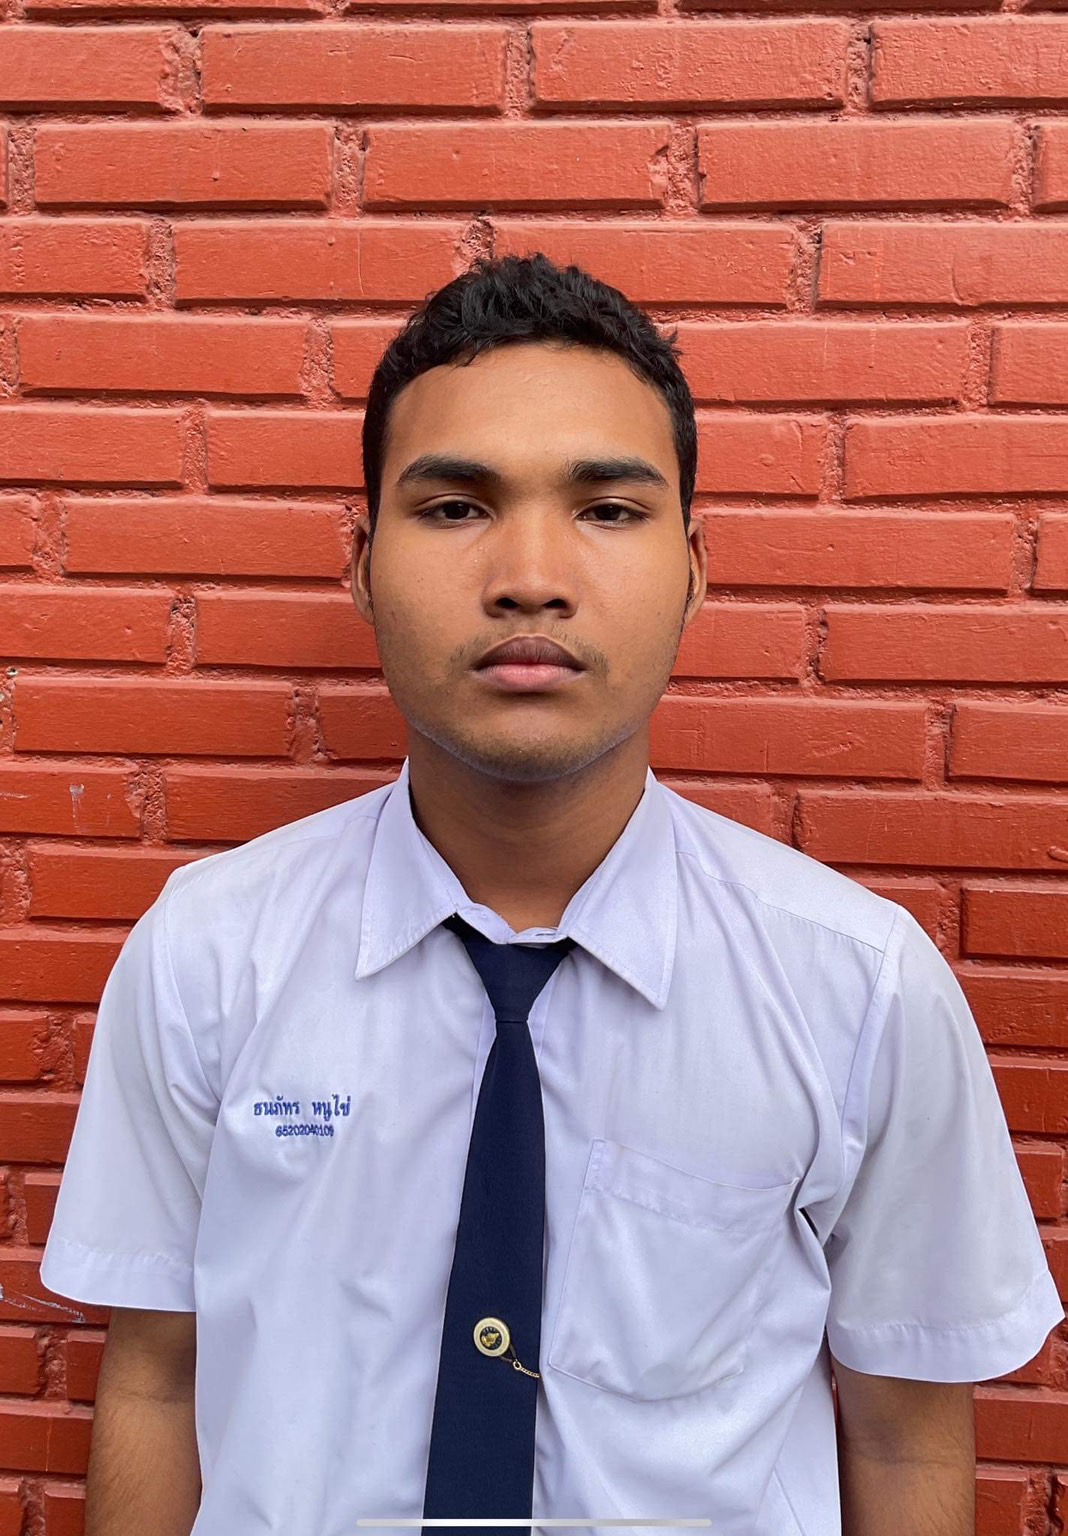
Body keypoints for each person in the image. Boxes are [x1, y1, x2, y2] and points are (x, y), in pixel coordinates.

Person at [40, 254, 1064, 1536]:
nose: (530, 575)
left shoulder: (857, 986)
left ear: (695, 567)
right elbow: (155, 1377)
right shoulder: (208, 951)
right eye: (454, 507)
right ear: (361, 565)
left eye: (609, 509)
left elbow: (905, 1437)